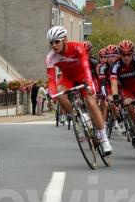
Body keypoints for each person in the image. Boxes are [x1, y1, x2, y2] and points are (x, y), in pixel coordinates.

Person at [45, 25, 112, 155]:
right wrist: (51, 94)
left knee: (92, 103)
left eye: (56, 41)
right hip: (67, 79)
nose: (54, 45)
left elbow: (86, 67)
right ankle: (77, 117)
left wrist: (90, 85)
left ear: (64, 39)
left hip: (83, 77)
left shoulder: (77, 47)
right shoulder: (50, 58)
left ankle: (104, 140)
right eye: (51, 43)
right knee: (59, 91)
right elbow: (51, 80)